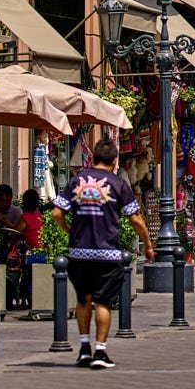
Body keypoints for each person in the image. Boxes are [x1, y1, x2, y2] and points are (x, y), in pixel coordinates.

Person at [51, 137, 155, 369]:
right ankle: (100, 351)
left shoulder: (77, 180)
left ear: (94, 157)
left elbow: (56, 213)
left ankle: (84, 348)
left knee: (83, 299)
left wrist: (71, 231)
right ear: (114, 160)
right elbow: (135, 219)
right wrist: (147, 243)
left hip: (79, 253)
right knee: (103, 303)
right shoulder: (118, 184)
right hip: (107, 253)